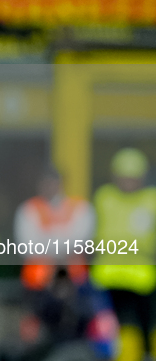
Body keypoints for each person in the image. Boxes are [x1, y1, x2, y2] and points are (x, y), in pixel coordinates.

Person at [91, 148, 156, 361]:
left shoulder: (151, 200)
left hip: (142, 277)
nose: (128, 182)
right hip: (108, 276)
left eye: (133, 178)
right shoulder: (104, 198)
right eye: (124, 177)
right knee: (109, 325)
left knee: (146, 324)